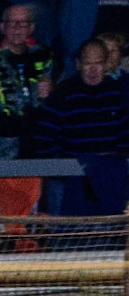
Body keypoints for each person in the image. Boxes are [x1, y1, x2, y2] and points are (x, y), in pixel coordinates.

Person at [32, 39, 129, 214]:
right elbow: (45, 138)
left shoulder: (116, 91)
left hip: (109, 178)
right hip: (69, 180)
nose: (93, 70)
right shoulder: (63, 93)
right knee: (65, 229)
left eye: (98, 63)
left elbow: (125, 133)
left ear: (106, 64)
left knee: (107, 229)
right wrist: (63, 170)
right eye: (87, 64)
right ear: (78, 64)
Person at [0, 4, 55, 158]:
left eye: (23, 23)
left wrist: (50, 91)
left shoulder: (44, 56)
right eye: (12, 22)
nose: (17, 28)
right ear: (2, 27)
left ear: (31, 28)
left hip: (37, 139)